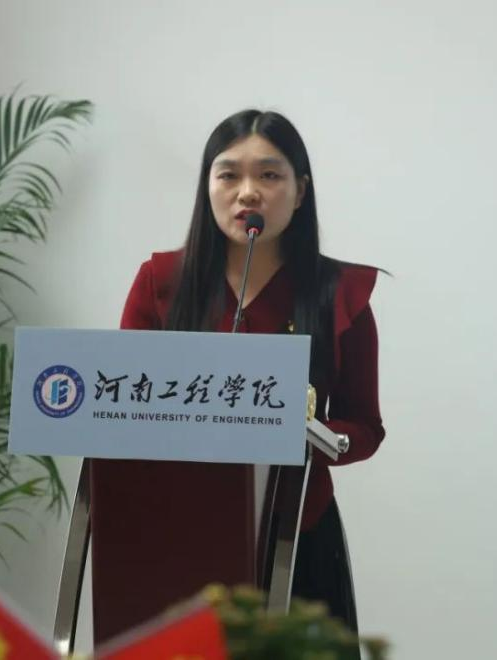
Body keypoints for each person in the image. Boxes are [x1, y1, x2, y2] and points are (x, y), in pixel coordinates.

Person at [89, 109, 384, 645]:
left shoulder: (340, 293)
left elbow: (365, 427)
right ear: (207, 187)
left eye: (269, 175)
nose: (248, 192)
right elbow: (127, 413)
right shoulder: (161, 282)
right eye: (229, 175)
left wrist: (315, 434)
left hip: (296, 533)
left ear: (300, 191)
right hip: (178, 531)